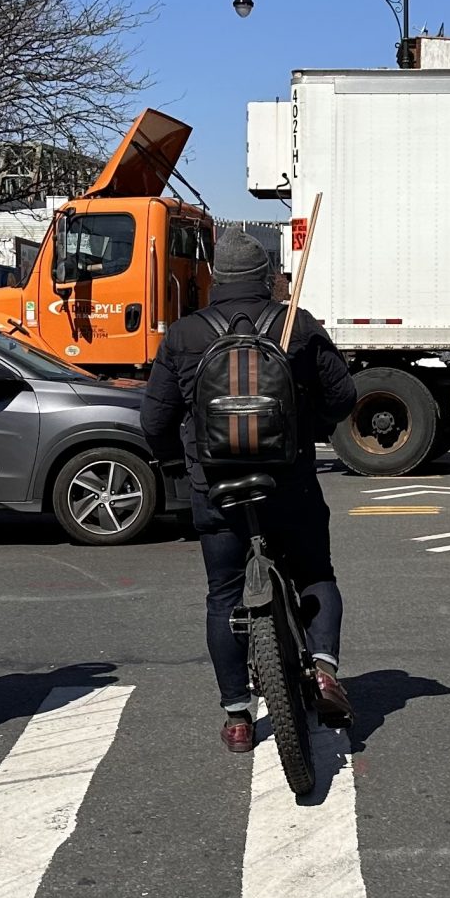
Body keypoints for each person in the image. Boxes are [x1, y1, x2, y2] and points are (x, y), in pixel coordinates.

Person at [140, 230, 360, 752]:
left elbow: (155, 418)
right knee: (315, 573)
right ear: (267, 278)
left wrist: (177, 463)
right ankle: (324, 669)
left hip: (215, 488)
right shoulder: (295, 326)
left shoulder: (184, 334)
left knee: (223, 594)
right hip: (290, 483)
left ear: (215, 280)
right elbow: (344, 395)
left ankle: (238, 716)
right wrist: (311, 428)